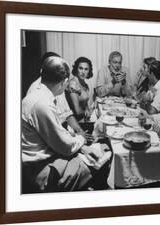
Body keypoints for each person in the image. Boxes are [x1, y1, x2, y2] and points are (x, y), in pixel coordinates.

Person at [22, 56, 106, 193]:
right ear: (65, 82)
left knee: (90, 152)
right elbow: (64, 146)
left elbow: (59, 129)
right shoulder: (42, 104)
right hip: (38, 168)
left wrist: (80, 143)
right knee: (100, 159)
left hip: (46, 154)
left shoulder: (41, 91)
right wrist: (82, 139)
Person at [27, 52, 88, 139]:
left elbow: (67, 114)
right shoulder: (35, 91)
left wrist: (79, 131)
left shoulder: (57, 83)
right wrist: (77, 138)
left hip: (63, 132)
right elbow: (51, 134)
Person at [65, 57, 94, 122]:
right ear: (76, 69)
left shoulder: (84, 83)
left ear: (89, 71)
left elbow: (85, 103)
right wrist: (87, 111)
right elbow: (77, 111)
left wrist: (88, 109)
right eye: (80, 68)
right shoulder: (73, 84)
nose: (83, 72)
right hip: (74, 121)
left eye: (86, 69)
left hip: (84, 118)